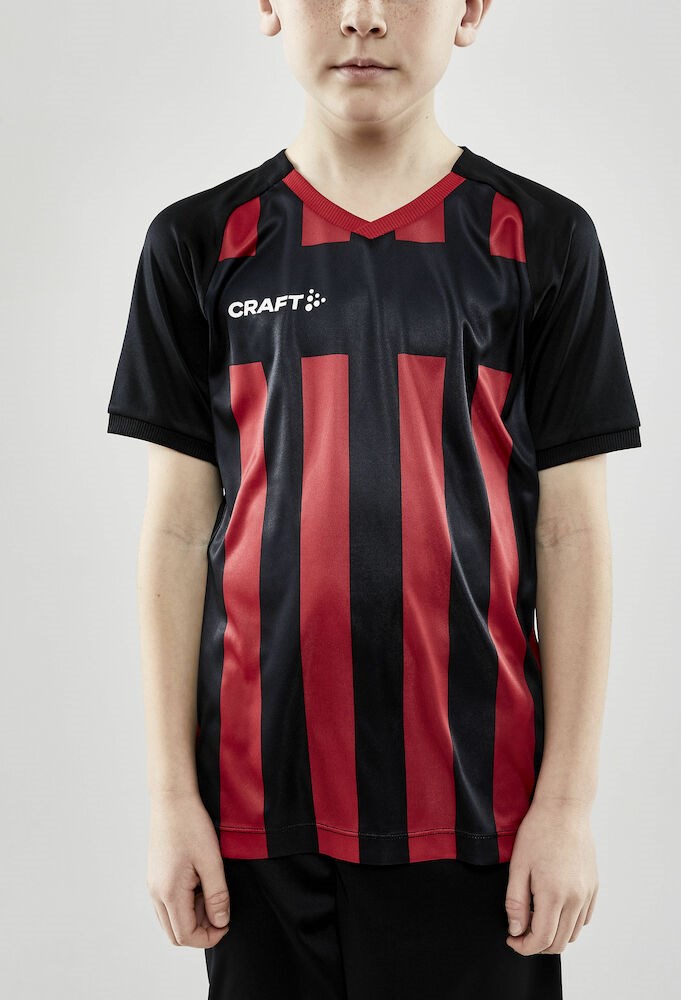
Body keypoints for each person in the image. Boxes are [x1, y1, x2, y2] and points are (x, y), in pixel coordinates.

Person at [106, 1, 642, 997]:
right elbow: (177, 530)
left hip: (480, 816)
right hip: (257, 816)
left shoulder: (543, 240)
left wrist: (566, 807)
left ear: (470, 10)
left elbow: (572, 534)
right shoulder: (198, 242)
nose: (362, 17)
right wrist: (171, 798)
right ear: (268, 6)